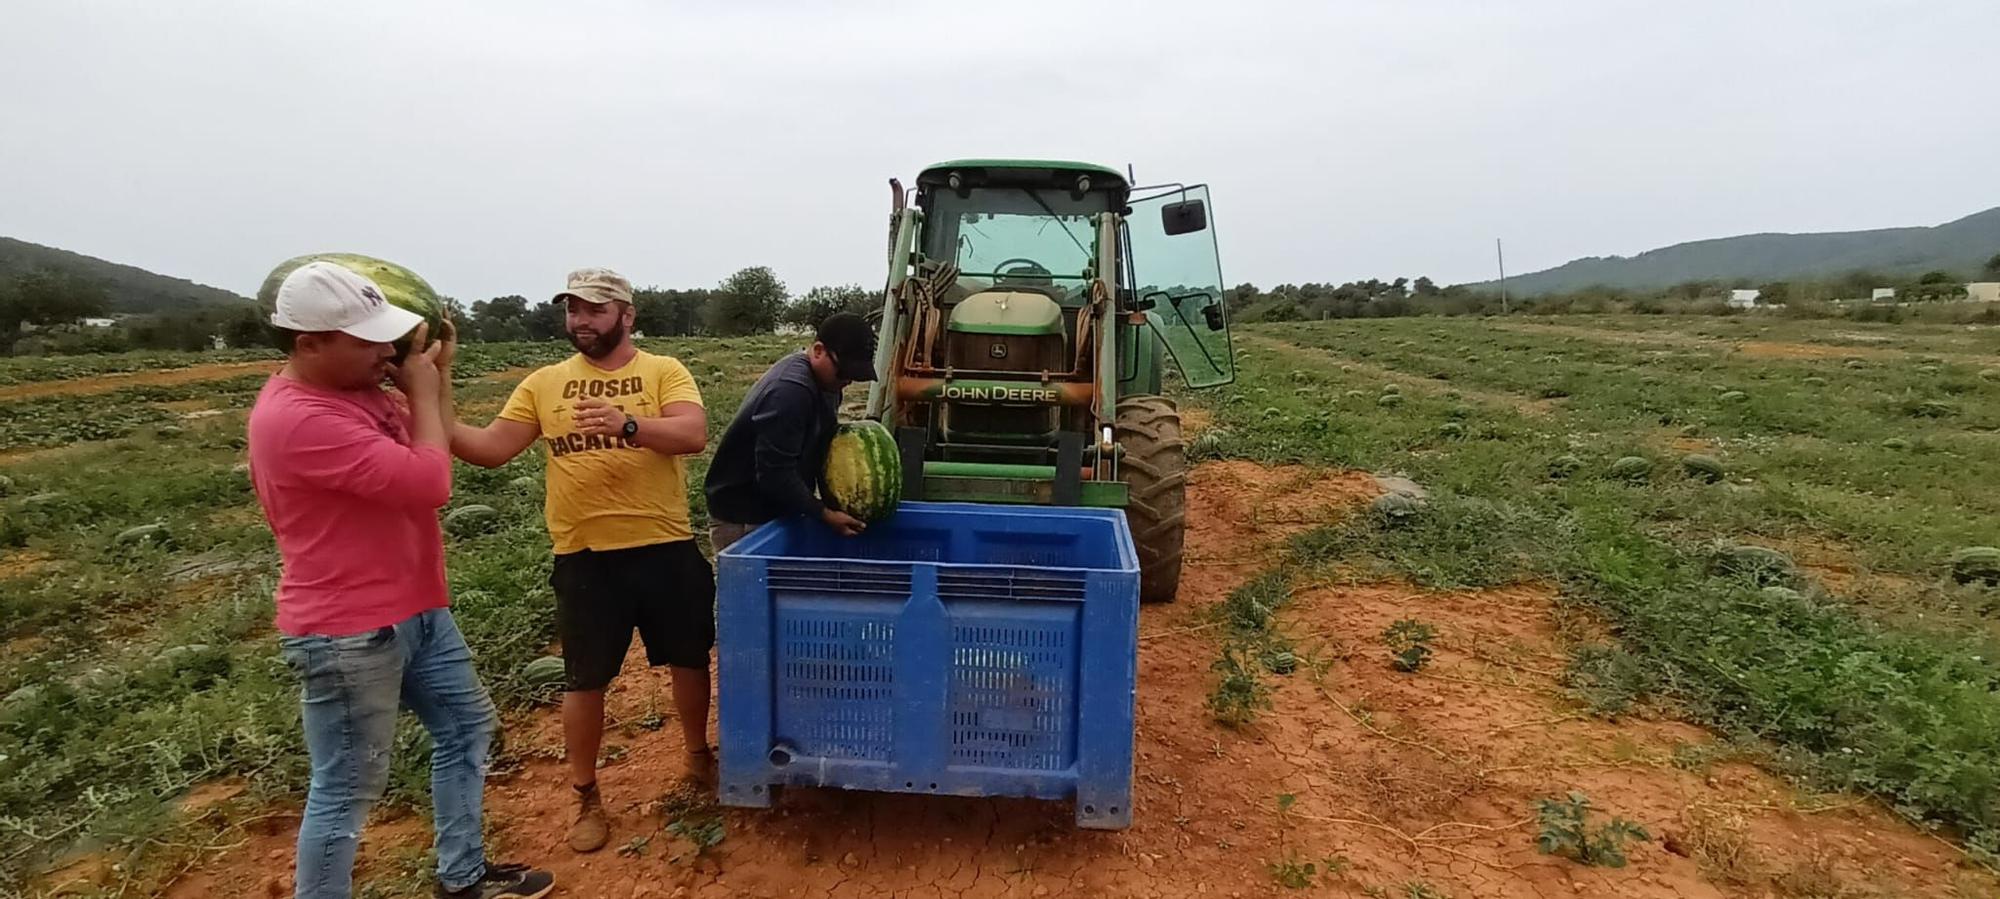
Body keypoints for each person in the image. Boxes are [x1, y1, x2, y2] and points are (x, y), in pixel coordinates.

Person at [246, 261, 554, 899]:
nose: (385, 352)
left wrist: (437, 378)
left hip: (416, 610)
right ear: (308, 344)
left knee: (466, 729)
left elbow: (428, 430)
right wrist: (419, 389)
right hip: (348, 632)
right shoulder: (299, 419)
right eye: (366, 342)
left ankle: (462, 877)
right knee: (346, 788)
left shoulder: (359, 391)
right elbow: (430, 481)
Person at [447, 268, 712, 854]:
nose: (581, 320)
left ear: (627, 315)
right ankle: (586, 794)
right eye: (573, 310)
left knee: (690, 660)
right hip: (586, 557)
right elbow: (491, 449)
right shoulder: (544, 384)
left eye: (595, 309)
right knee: (585, 679)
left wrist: (628, 425)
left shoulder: (663, 371)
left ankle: (697, 757)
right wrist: (429, 402)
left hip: (665, 544)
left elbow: (692, 433)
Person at [704, 312, 877, 553]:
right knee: (752, 578)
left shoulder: (828, 382)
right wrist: (824, 514)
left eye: (855, 375)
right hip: (744, 515)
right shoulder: (789, 392)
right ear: (818, 351)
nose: (848, 380)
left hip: (776, 506)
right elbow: (774, 474)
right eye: (843, 371)